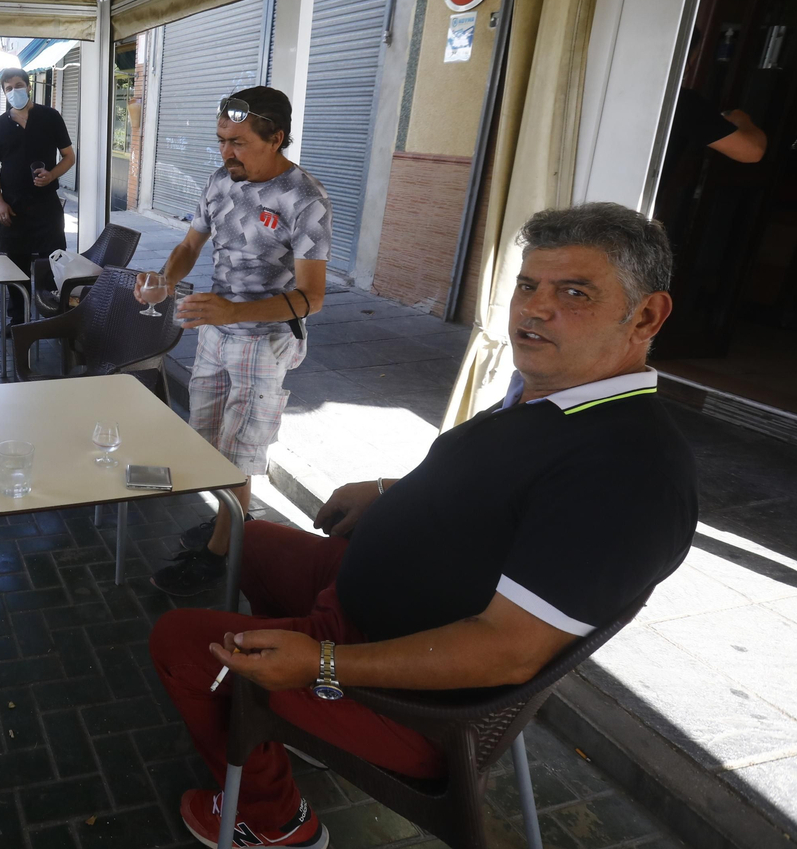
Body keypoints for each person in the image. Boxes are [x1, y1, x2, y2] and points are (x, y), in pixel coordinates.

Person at [148, 202, 698, 849]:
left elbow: (511, 647)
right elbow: (486, 489)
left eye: (574, 292)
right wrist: (388, 493)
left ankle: (274, 820)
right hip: (369, 599)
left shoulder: (628, 472)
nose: (535, 309)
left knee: (183, 640)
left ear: (646, 316)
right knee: (257, 541)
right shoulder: (552, 395)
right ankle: (287, 724)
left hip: (413, 706)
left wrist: (324, 663)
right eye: (527, 286)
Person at [146, 87, 332, 597]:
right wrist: (165, 280)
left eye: (239, 143)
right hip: (215, 332)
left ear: (277, 139)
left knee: (238, 452)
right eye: (222, 141)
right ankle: (231, 520)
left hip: (266, 339)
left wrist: (235, 311)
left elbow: (311, 297)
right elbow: (189, 245)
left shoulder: (305, 200)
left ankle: (219, 555)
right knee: (204, 437)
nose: (226, 152)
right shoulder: (218, 183)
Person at [0, 68, 74, 320]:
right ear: (4, 92)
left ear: (29, 86)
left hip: (46, 205)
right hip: (12, 207)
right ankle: (19, 319)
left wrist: (52, 175)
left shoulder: (50, 117)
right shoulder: (0, 125)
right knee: (16, 266)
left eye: (18, 85)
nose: (14, 91)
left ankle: (55, 316)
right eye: (9, 88)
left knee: (53, 262)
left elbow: (69, 157)